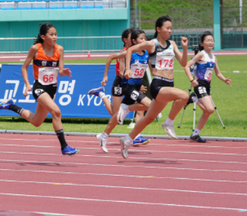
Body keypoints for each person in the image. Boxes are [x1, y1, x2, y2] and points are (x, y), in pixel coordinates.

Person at [0, 23, 79, 156]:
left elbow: (60, 70)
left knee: (36, 122)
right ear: (43, 36)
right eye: (51, 34)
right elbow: (24, 67)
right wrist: (27, 84)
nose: (55, 37)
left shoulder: (60, 49)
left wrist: (64, 72)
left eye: (56, 34)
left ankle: (11, 106)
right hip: (39, 88)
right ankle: (64, 146)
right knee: (56, 112)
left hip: (52, 89)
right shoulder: (35, 49)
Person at [119, 16, 189, 159]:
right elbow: (130, 49)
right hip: (158, 85)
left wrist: (185, 48)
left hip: (169, 83)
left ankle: (127, 139)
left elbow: (183, 63)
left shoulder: (173, 44)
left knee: (149, 118)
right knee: (184, 96)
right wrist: (127, 69)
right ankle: (168, 123)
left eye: (171, 28)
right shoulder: (152, 44)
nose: (170, 30)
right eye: (167, 28)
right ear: (158, 29)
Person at [89, 28, 150, 149]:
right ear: (132, 41)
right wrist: (106, 76)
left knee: (120, 114)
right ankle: (102, 95)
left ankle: (104, 135)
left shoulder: (147, 53)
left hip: (135, 86)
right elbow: (113, 60)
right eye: (141, 38)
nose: (144, 40)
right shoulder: (127, 52)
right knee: (117, 113)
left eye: (145, 38)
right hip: (124, 84)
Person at [183, 32, 231, 143]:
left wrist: (224, 80)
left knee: (207, 112)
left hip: (208, 86)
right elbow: (186, 65)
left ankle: (195, 134)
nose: (210, 42)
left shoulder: (214, 57)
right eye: (208, 40)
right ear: (202, 43)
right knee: (210, 109)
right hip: (199, 84)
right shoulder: (201, 54)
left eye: (212, 40)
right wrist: (192, 79)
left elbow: (218, 73)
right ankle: (193, 98)